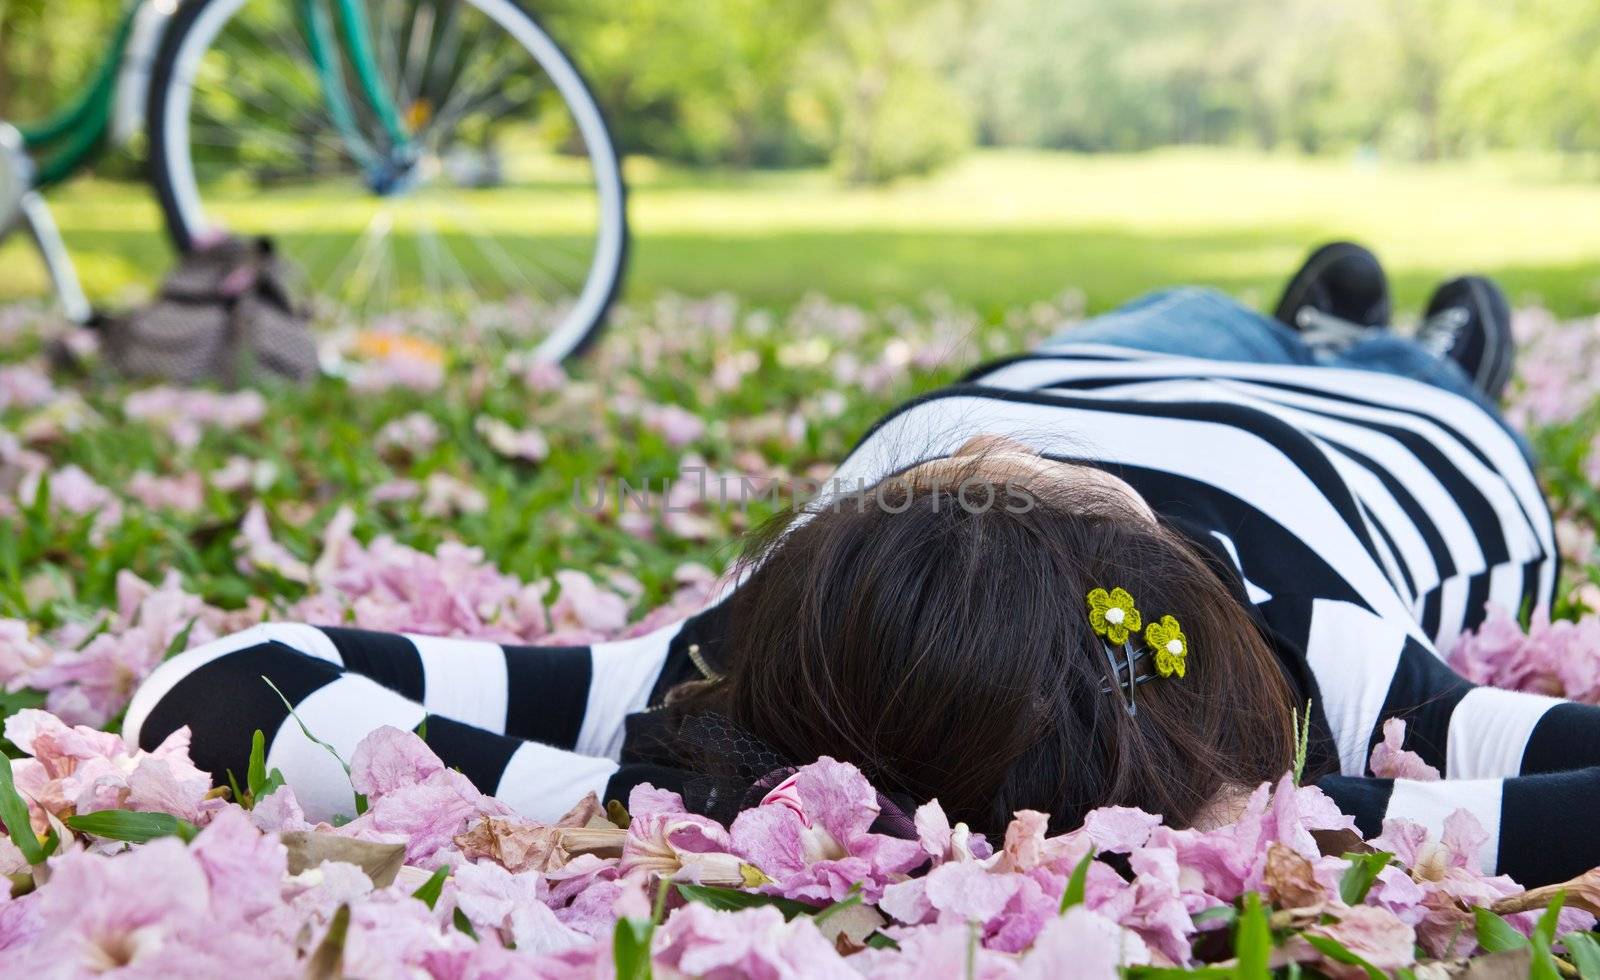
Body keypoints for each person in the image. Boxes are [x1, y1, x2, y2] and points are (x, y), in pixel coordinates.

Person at [126, 242, 1595, 888]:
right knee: (1368, 340)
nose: (996, 465)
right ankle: (1386, 336)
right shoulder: (1306, 649)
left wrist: (710, 797)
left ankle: (1302, 308)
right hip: (1393, 431)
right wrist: (1261, 822)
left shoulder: (740, 659)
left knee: (1191, 310)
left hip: (1069, 361)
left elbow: (223, 690)